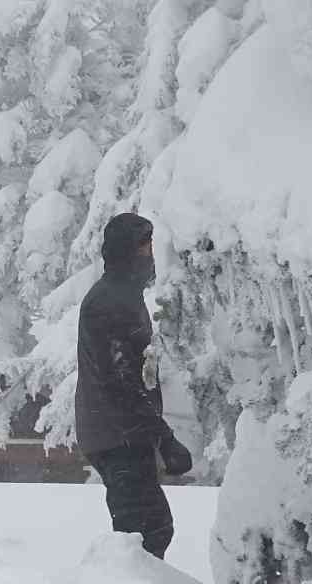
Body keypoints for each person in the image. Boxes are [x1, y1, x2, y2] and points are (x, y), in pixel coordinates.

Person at [75, 212, 192, 559]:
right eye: (146, 247)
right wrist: (164, 438)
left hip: (120, 432)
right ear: (128, 252)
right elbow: (120, 381)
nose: (152, 256)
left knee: (146, 531)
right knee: (143, 533)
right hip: (115, 435)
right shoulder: (109, 302)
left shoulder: (123, 295)